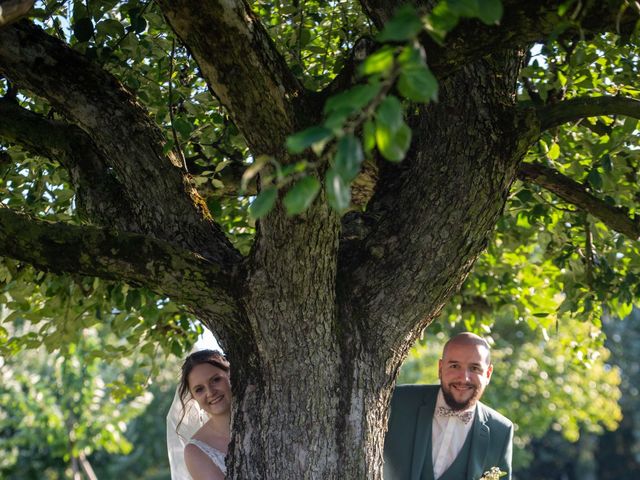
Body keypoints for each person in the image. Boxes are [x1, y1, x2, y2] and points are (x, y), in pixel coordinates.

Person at [383, 332, 513, 480]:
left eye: (475, 368)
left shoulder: (501, 431)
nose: (464, 378)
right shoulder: (397, 400)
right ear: (440, 368)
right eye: (454, 365)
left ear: (488, 374)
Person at [167, 350, 231, 480]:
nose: (210, 392)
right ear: (194, 398)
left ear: (230, 376)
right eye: (199, 389)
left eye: (216, 380)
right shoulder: (196, 452)